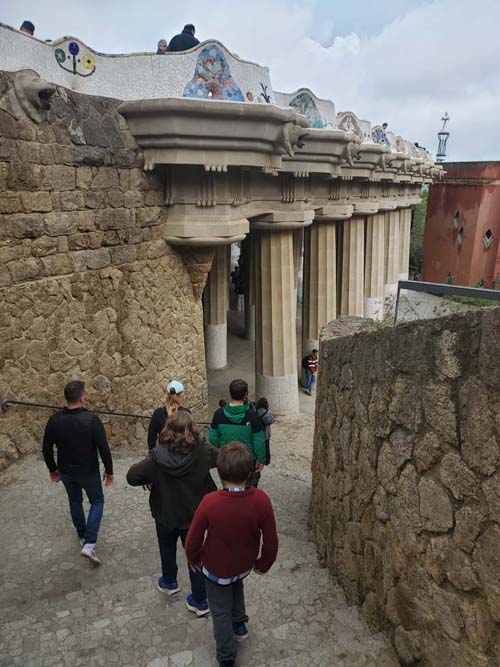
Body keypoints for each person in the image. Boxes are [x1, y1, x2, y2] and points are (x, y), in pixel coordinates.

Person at [185, 443, 278, 667]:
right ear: (249, 472)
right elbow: (271, 540)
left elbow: (193, 539)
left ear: (219, 471)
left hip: (216, 567)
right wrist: (263, 564)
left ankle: (226, 656)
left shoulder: (210, 502)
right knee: (236, 586)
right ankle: (240, 625)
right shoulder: (262, 500)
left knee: (219, 611)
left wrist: (193, 558)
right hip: (244, 562)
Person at [127, 410, 218, 616]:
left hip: (165, 513)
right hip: (194, 514)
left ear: (167, 430)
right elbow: (223, 458)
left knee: (166, 547)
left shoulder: (157, 457)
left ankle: (169, 582)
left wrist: (148, 477)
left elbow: (132, 476)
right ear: (192, 429)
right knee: (194, 554)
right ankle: (200, 600)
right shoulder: (203, 451)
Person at [42, 380, 113, 565]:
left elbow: (46, 448)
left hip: (66, 471)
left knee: (75, 501)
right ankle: (89, 544)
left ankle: (82, 534)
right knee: (97, 501)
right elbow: (103, 447)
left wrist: (53, 469)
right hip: (88, 471)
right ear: (82, 397)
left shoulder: (54, 420)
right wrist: (109, 470)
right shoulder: (91, 419)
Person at [208, 379, 265, 487]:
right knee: (249, 489)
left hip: (227, 460)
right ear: (246, 394)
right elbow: (258, 440)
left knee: (229, 488)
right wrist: (260, 459)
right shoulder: (252, 415)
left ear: (230, 393)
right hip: (247, 460)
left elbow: (212, 438)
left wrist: (223, 446)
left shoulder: (218, 414)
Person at [148, 380, 188, 450]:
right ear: (181, 395)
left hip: (164, 455)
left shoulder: (158, 413)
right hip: (182, 454)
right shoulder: (186, 413)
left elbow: (151, 438)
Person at [256, 397, 274, 466]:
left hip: (258, 432)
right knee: (266, 447)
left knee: (260, 446)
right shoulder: (267, 412)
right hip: (265, 433)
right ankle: (267, 461)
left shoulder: (256, 410)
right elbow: (271, 421)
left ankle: (259, 459)